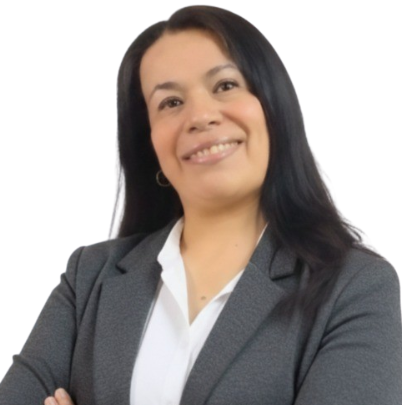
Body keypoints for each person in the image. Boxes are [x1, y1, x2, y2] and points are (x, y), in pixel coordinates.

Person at [1, 5, 402, 405]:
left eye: (225, 85)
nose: (201, 116)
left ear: (273, 106)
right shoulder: (89, 279)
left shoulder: (354, 288)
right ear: (149, 141)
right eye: (170, 103)